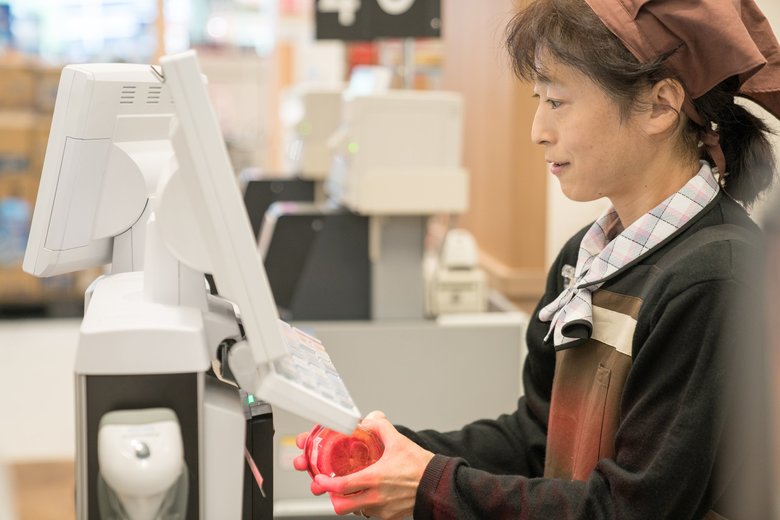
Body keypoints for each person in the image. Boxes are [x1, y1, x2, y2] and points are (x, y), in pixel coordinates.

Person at [293, 0, 780, 518]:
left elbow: (630, 509)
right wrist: (391, 450)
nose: (538, 131)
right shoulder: (586, 259)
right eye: (538, 99)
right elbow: (535, 439)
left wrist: (431, 486)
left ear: (659, 105)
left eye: (557, 101)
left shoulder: (714, 277)